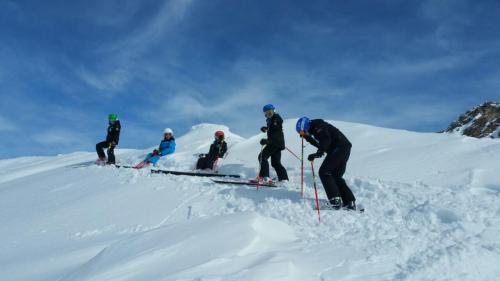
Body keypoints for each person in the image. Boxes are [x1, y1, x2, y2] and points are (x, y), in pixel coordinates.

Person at [296, 117, 357, 210]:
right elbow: (319, 142)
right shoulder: (314, 130)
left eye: (302, 131)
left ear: (306, 126)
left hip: (339, 148)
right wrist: (307, 137)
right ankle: (349, 202)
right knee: (336, 176)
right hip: (343, 147)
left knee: (324, 172)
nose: (302, 134)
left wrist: (319, 153)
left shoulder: (317, 126)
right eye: (300, 133)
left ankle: (335, 202)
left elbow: (326, 139)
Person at [257, 104, 289, 183]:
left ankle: (265, 177)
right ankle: (284, 179)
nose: (268, 114)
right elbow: (273, 128)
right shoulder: (271, 120)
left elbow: (276, 131)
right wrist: (266, 128)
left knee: (262, 157)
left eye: (270, 112)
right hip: (278, 144)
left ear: (274, 111)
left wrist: (268, 141)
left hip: (274, 143)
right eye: (266, 113)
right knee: (275, 163)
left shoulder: (276, 118)